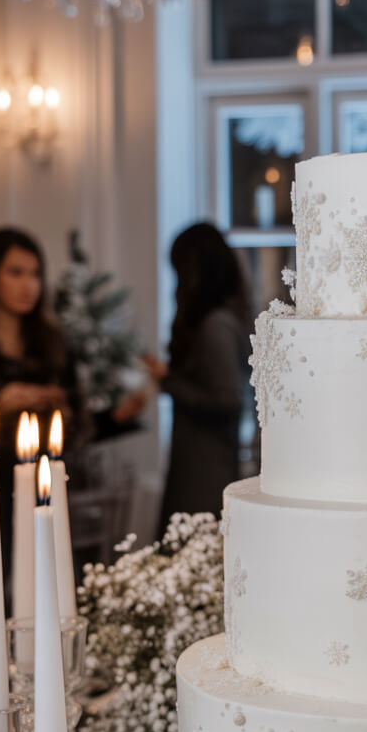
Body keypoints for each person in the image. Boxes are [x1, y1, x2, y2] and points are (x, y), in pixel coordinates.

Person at [0, 228, 79, 588]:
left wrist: (61, 410)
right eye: (16, 272)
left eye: (36, 274)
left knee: (46, 579)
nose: (29, 285)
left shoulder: (52, 343)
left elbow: (79, 419)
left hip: (43, 480)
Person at [144, 222, 251, 532]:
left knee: (193, 550)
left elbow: (227, 400)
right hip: (199, 465)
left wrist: (169, 381)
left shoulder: (217, 325)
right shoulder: (221, 321)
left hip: (206, 472)